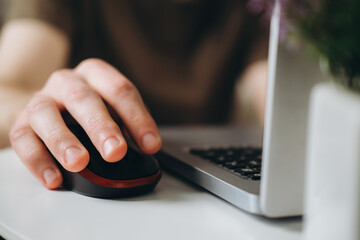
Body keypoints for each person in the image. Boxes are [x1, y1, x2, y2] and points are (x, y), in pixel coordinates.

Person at [0, 0, 268, 190]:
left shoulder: (263, 7)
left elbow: (278, 101)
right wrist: (34, 111)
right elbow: (9, 85)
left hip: (201, 191)